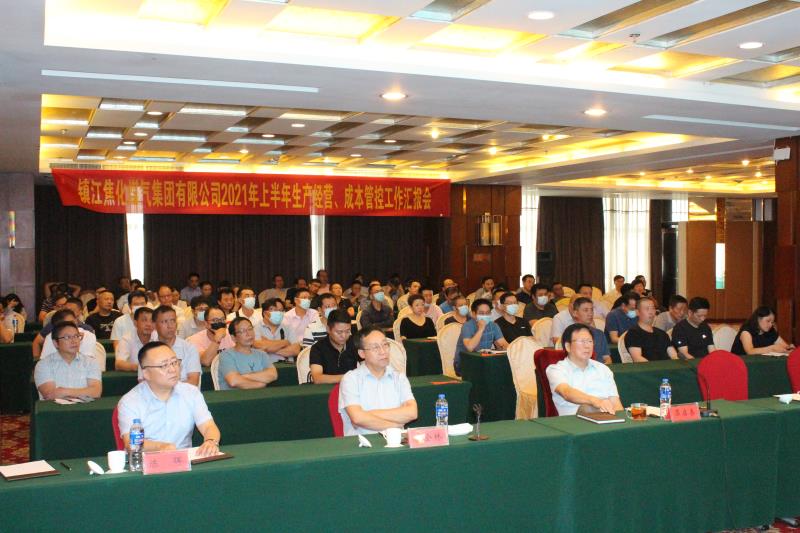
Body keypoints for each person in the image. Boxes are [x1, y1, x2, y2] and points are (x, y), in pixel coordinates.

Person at [118, 342, 220, 456]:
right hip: (147, 462)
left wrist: (211, 441)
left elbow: (208, 426)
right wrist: (161, 447)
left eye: (174, 362)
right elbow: (131, 443)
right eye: (164, 365)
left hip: (184, 460)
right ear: (146, 373)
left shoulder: (191, 393)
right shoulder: (130, 402)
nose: (172, 369)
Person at [338, 326, 417, 436]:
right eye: (375, 347)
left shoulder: (399, 378)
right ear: (362, 353)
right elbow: (357, 418)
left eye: (385, 345)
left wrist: (367, 415)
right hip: (362, 443)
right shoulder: (351, 379)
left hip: (395, 442)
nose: (383, 351)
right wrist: (396, 425)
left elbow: (412, 413)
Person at [546, 323, 622, 416]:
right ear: (568, 346)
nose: (587, 346)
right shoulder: (556, 370)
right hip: (574, 421)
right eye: (582, 341)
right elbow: (566, 392)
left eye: (590, 341)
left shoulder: (603, 369)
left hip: (607, 418)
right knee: (587, 408)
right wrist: (596, 401)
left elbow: (615, 403)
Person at [34, 321, 101, 400]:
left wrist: (63, 391)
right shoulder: (43, 365)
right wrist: (84, 392)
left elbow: (96, 392)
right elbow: (50, 395)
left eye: (76, 336)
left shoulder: (90, 363)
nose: (74, 341)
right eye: (67, 337)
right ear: (55, 343)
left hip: (84, 407)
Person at [216, 317, 277, 390]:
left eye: (250, 329)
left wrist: (243, 376)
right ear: (233, 337)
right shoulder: (226, 355)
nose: (248, 334)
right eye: (242, 331)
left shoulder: (261, 354)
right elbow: (233, 381)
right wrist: (260, 384)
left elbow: (273, 375)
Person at [148, 305, 202, 386]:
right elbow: (144, 382)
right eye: (164, 322)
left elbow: (193, 381)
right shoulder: (148, 351)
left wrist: (166, 387)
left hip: (184, 393)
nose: (170, 326)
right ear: (154, 325)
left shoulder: (189, 348)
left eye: (173, 321)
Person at [454, 298, 508, 374]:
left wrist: (508, 348)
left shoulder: (494, 325)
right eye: (481, 313)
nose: (485, 316)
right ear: (474, 314)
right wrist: (481, 329)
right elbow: (470, 347)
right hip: (464, 363)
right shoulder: (467, 326)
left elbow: (503, 343)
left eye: (488, 313)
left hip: (484, 360)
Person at [309, 310, 359, 384]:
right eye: (339, 332)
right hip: (327, 389)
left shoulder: (354, 343)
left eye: (347, 331)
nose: (344, 336)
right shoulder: (318, 348)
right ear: (328, 329)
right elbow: (317, 378)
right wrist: (350, 377)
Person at [625, 297, 677, 362]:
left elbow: (674, 355)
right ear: (638, 312)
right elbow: (637, 358)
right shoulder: (633, 333)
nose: (651, 312)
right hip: (648, 367)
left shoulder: (662, 333)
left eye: (653, 308)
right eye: (647, 309)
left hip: (667, 366)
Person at [254, 298, 300, 362]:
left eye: (281, 310)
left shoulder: (288, 327)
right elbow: (259, 346)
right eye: (275, 310)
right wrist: (285, 342)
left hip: (286, 365)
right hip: (264, 366)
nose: (279, 313)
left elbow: (296, 350)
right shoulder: (256, 328)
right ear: (265, 313)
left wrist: (268, 346)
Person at [570, 297, 611, 364]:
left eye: (591, 310)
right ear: (575, 313)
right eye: (586, 310)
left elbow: (607, 358)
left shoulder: (599, 333)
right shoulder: (570, 334)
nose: (590, 314)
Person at [115, 307, 156, 372]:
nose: (148, 324)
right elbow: (119, 364)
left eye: (152, 321)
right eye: (144, 320)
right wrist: (141, 367)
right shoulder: (127, 339)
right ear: (135, 323)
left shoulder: (158, 337)